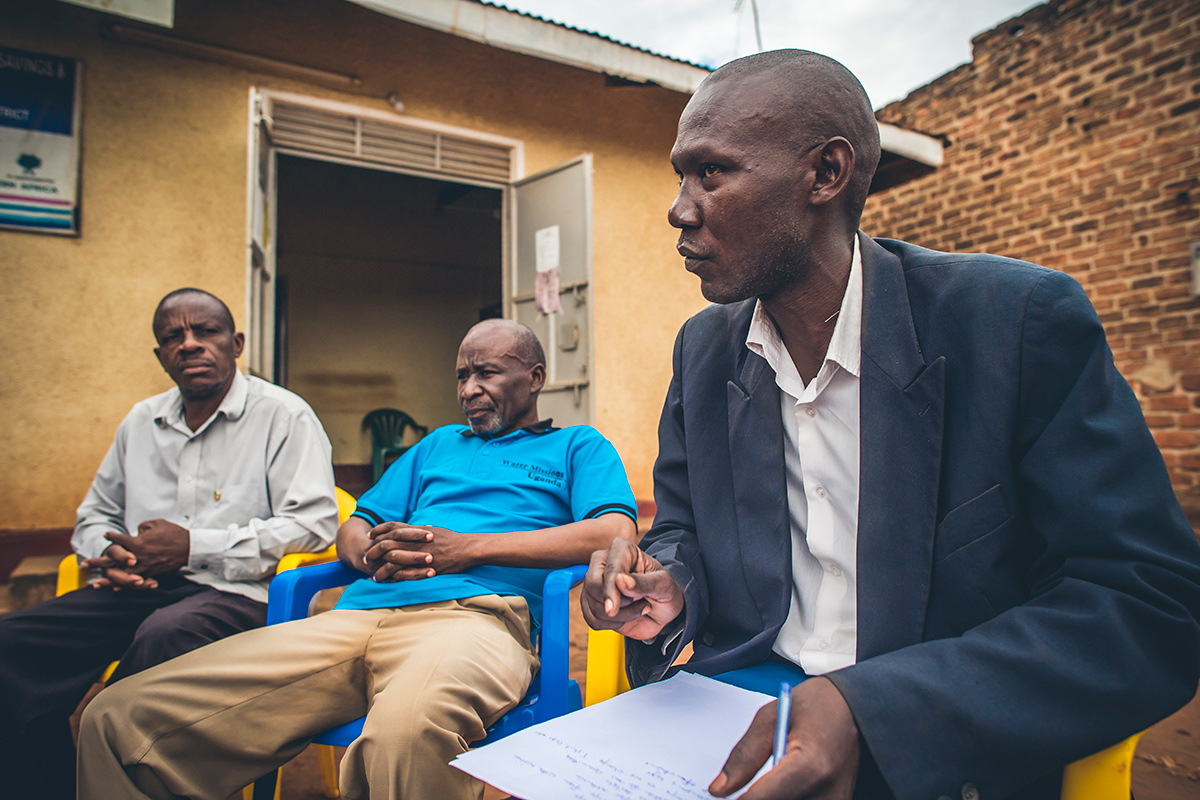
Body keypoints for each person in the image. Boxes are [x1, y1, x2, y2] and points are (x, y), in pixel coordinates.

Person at [582, 49, 1200, 800]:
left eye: (711, 172)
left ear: (826, 174)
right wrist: (668, 581)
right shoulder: (705, 351)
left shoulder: (1016, 326)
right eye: (680, 175)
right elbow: (685, 532)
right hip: (733, 723)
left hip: (932, 747)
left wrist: (873, 709)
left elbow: (1147, 605)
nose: (680, 207)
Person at [77, 318, 638, 800]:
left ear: (535, 378)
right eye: (462, 376)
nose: (468, 389)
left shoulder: (576, 446)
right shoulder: (437, 446)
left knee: (408, 732)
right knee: (119, 718)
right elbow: (356, 525)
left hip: (475, 620)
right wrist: (371, 555)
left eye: (486, 373)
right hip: (351, 619)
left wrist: (466, 549)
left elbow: (613, 530)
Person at [0, 288, 339, 800]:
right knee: (12, 645)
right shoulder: (142, 421)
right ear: (160, 356)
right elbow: (94, 515)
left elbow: (314, 524)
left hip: (238, 593)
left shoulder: (283, 416)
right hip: (141, 585)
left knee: (164, 637)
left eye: (205, 332)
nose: (189, 345)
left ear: (236, 343)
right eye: (172, 337)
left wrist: (192, 547)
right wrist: (108, 552)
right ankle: (51, 786)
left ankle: (115, 775)